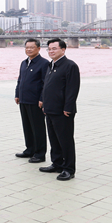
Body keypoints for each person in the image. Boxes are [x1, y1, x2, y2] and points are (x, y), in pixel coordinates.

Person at [39, 38, 80, 181]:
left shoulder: (70, 66)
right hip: (50, 109)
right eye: (49, 49)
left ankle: (69, 169)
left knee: (65, 140)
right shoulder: (51, 65)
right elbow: (47, 87)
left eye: (54, 48)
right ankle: (57, 163)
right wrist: (44, 103)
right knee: (54, 139)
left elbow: (72, 89)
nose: (51, 51)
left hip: (63, 111)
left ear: (63, 49)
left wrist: (68, 107)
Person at [14, 39, 50, 163]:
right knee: (27, 126)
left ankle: (40, 153)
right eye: (27, 47)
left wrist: (42, 99)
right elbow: (20, 80)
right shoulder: (24, 63)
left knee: (38, 128)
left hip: (36, 101)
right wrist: (17, 94)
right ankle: (29, 149)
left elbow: (46, 83)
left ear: (38, 49)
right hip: (24, 100)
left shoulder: (44, 63)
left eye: (32, 47)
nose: (29, 49)